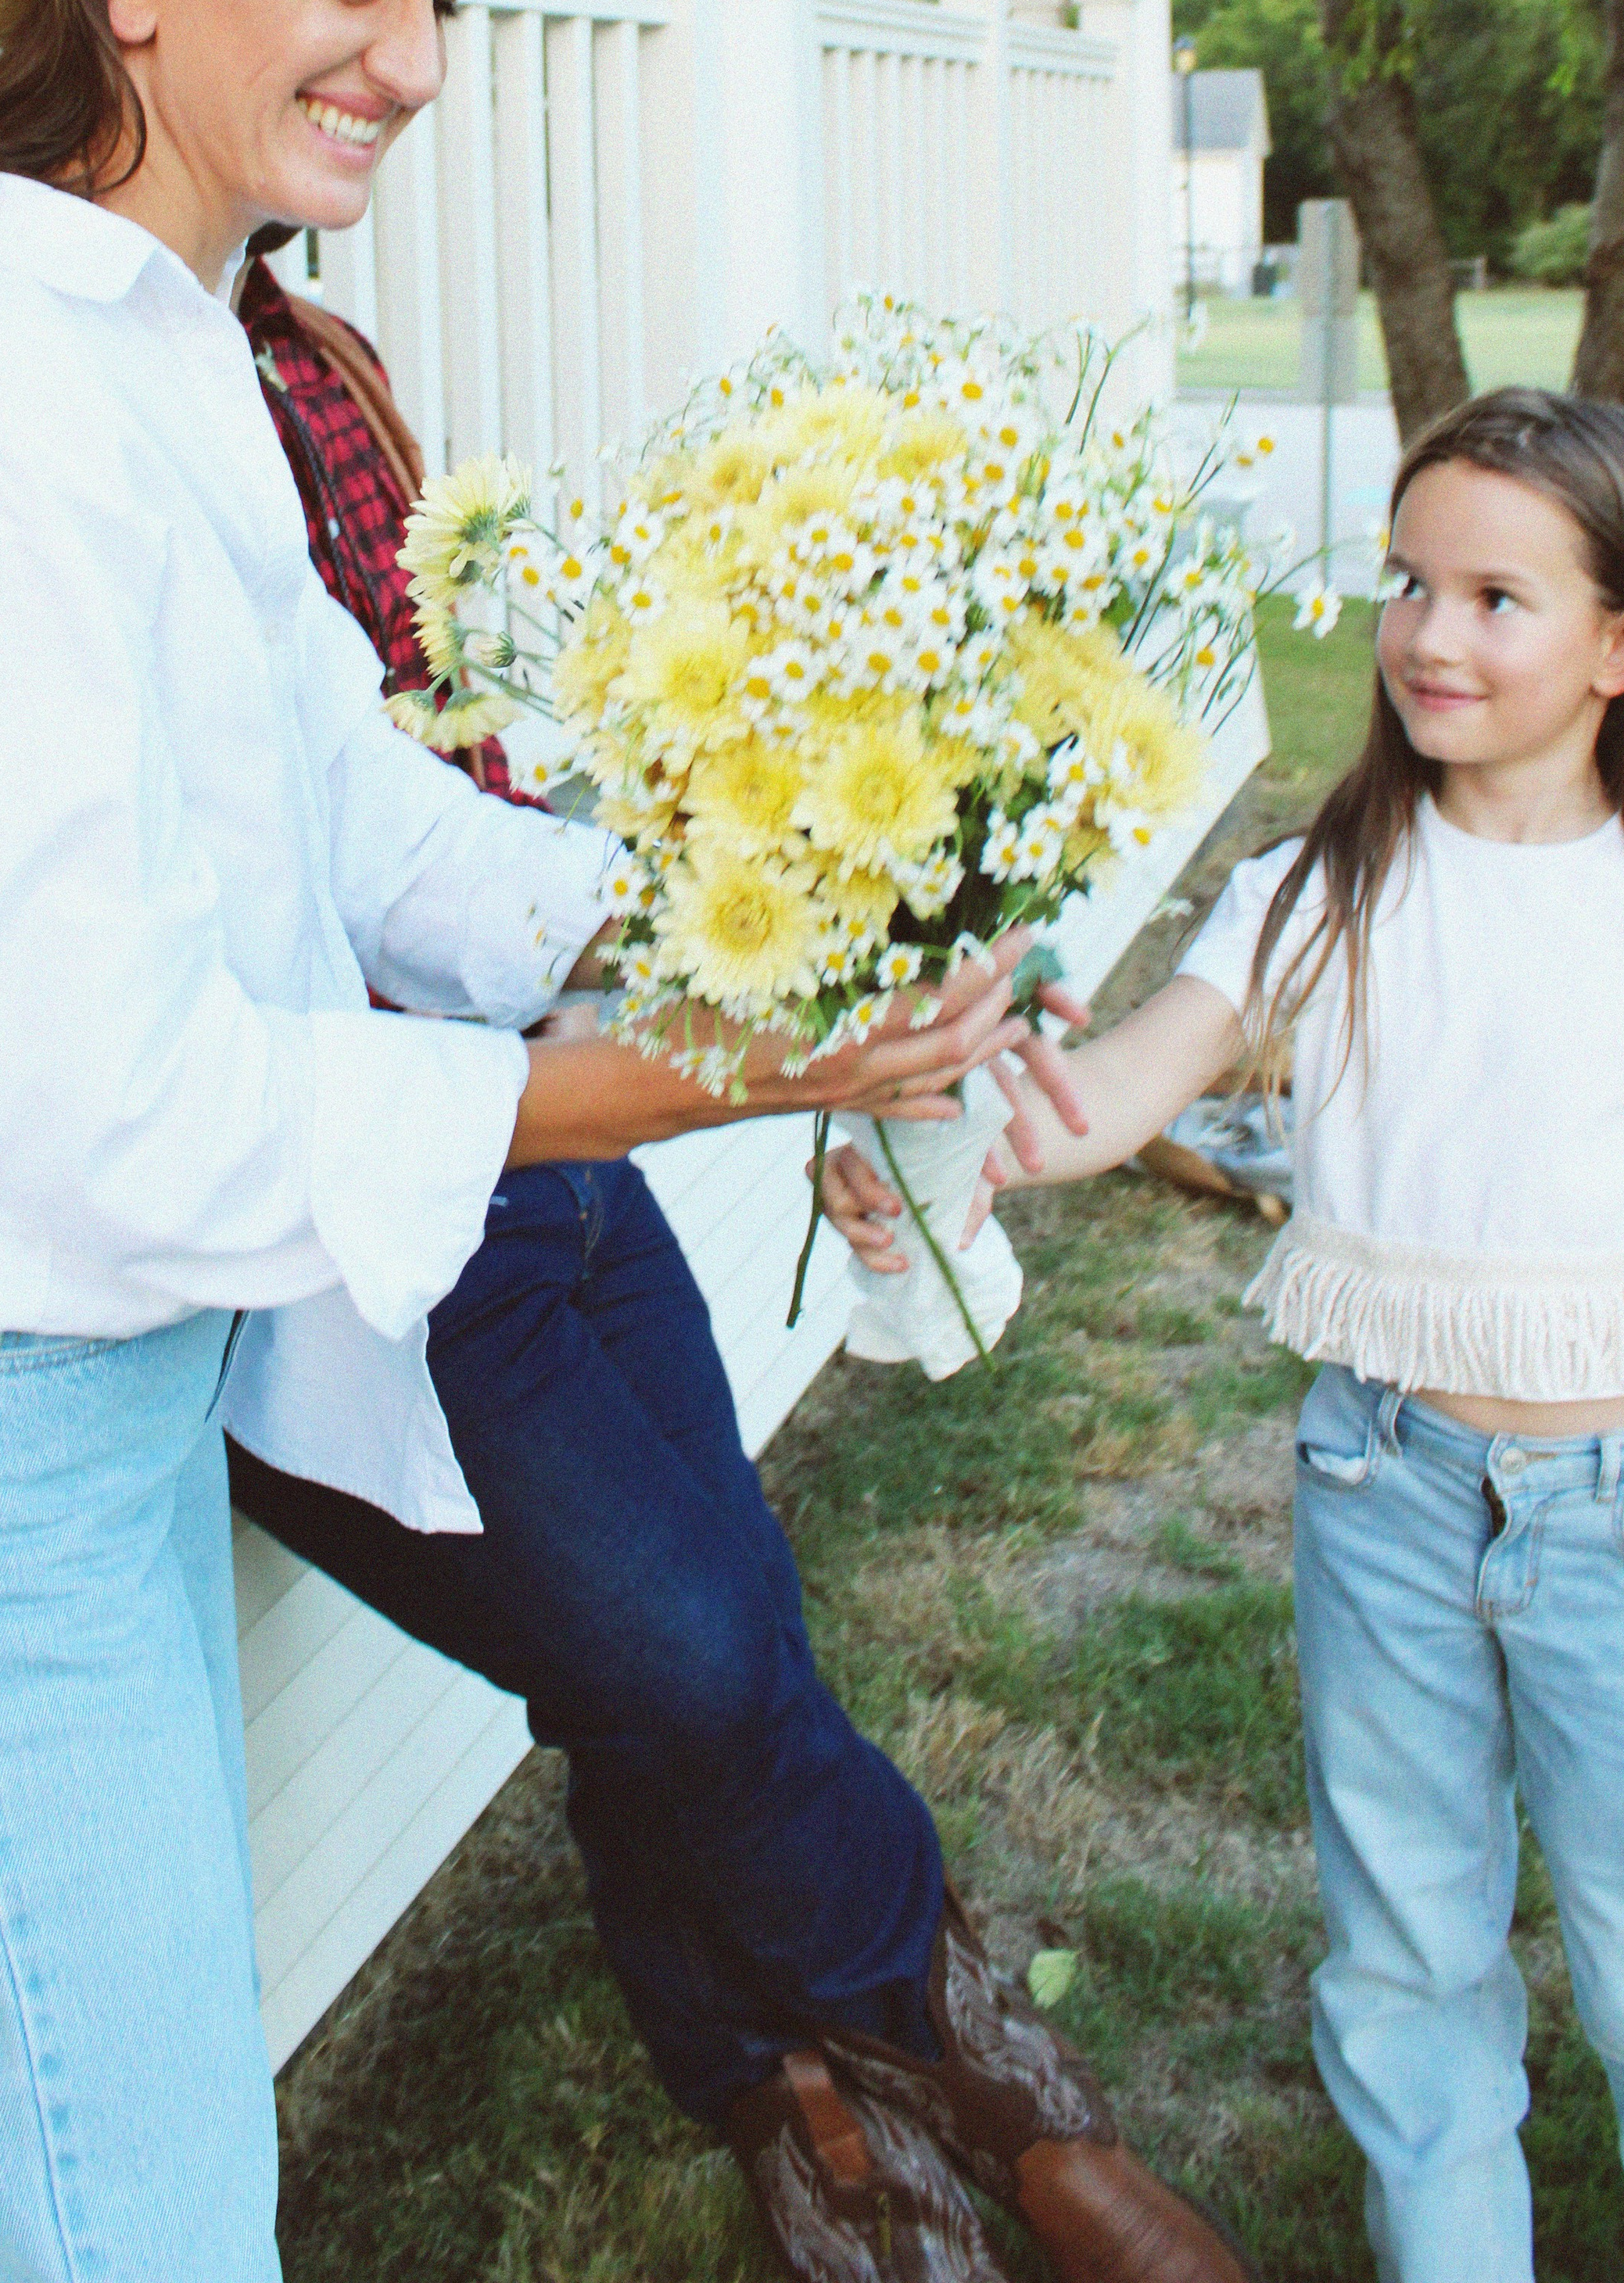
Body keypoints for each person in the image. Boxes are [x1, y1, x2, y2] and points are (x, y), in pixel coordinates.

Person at [0, 0, 1055, 2283]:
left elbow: (340, 803)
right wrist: (676, 1078)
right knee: (111, 2225)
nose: (422, 53)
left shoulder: (150, 358)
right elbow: (98, 1099)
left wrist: (748, 919)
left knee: (64, 2202)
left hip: (79, 1386)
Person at [224, 231, 1257, 2283]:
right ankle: (991, 2091)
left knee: (699, 1655)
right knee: (693, 1663)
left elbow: (423, 791)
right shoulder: (93, 411)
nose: (406, 63)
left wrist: (790, 942)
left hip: (552, 1124)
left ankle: (802, 2131)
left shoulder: (302, 364)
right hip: (384, 1193)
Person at [831, 386, 1624, 2282]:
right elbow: (1092, 1105)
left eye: (1496, 595)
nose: (1427, 631)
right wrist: (940, 1139)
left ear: (1622, 643)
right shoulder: (1310, 893)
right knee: (1405, 1950)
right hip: (1383, 1481)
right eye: (1405, 582)